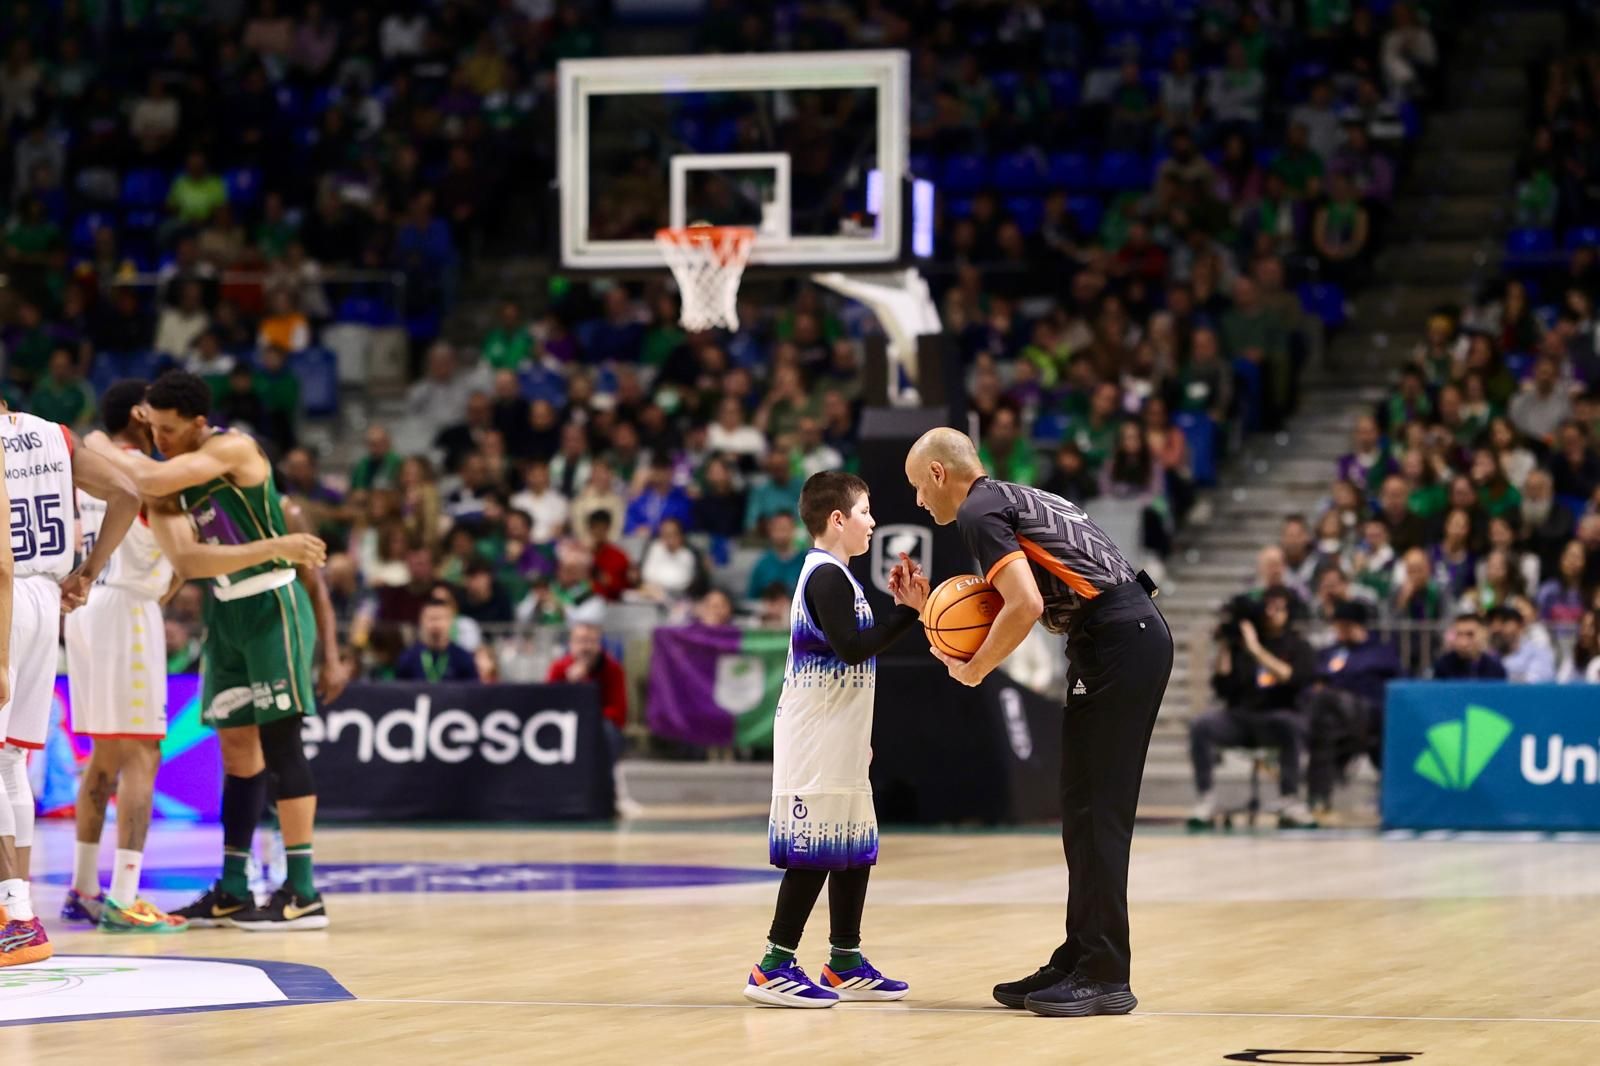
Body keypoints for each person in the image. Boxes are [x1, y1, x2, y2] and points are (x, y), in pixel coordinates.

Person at [905, 427, 1171, 1018]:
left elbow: (1023, 605)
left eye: (919, 487)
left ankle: (1105, 973)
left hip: (1120, 638)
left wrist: (974, 670)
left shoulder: (977, 510)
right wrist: (927, 608)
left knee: (1097, 814)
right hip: (1118, 634)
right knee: (1081, 811)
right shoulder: (1009, 497)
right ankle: (1080, 957)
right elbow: (997, 605)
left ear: (939, 474)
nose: (918, 501)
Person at [84, 371, 329, 931]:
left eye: (169, 430)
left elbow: (151, 472)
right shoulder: (169, 483)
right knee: (237, 752)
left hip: (272, 603)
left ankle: (304, 891)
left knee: (282, 745)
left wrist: (98, 443)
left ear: (198, 423)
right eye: (153, 429)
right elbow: (189, 562)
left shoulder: (231, 449)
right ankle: (233, 888)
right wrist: (276, 544)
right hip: (226, 612)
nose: (160, 439)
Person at [744, 471, 927, 1010]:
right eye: (865, 511)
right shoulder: (824, 575)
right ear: (837, 519)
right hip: (815, 737)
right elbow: (850, 648)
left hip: (839, 734)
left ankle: (844, 961)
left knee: (852, 846)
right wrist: (907, 615)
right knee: (815, 850)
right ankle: (773, 965)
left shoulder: (839, 576)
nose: (873, 521)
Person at [0, 400, 143, 967]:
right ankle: (16, 912)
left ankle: (18, 918)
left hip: (6, 598)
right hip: (44, 597)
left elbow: (1, 564)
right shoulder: (52, 435)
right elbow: (128, 493)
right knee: (10, 762)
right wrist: (87, 572)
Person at [1188, 589, 1318, 827]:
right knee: (1201, 725)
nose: (1271, 613)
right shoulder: (1241, 644)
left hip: (1276, 717)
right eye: (1268, 607)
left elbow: (1292, 677)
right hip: (1240, 717)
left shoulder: (1297, 645)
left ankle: (1290, 798)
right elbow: (1223, 686)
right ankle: (1206, 798)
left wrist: (1256, 649)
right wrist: (1227, 644)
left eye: (1278, 608)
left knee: (1290, 725)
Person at [1302, 600, 1400, 812]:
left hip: (1369, 715)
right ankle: (1317, 800)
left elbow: (1395, 683)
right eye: (1337, 627)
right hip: (1335, 721)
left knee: (1327, 698)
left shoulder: (1380, 652)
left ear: (1358, 625)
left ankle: (1306, 729)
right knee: (1323, 730)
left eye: (1345, 626)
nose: (1340, 632)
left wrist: (1337, 681)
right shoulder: (1331, 652)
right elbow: (1314, 680)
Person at [546, 620, 628, 758]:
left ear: (599, 644)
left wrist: (588, 716)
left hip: (599, 722)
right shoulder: (558, 668)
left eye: (591, 641)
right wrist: (571, 684)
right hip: (565, 721)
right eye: (581, 641)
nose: (586, 647)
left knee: (608, 731)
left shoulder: (612, 669)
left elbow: (618, 712)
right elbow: (548, 704)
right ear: (571, 644)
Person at [395, 601, 480, 682]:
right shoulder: (408, 657)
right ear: (421, 621)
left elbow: (473, 689)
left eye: (440, 618)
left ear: (451, 621)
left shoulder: (463, 658)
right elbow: (399, 689)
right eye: (431, 618)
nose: (436, 624)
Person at [1486, 604, 1556, 683]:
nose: (1496, 628)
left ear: (1520, 625)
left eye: (1504, 621)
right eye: (1491, 622)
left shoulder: (1538, 652)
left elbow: (1536, 684)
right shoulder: (1486, 656)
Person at [1431, 615, 1508, 680]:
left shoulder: (1495, 669)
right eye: (1459, 634)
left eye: (1470, 634)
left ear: (1483, 634)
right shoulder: (1443, 666)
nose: (1463, 643)